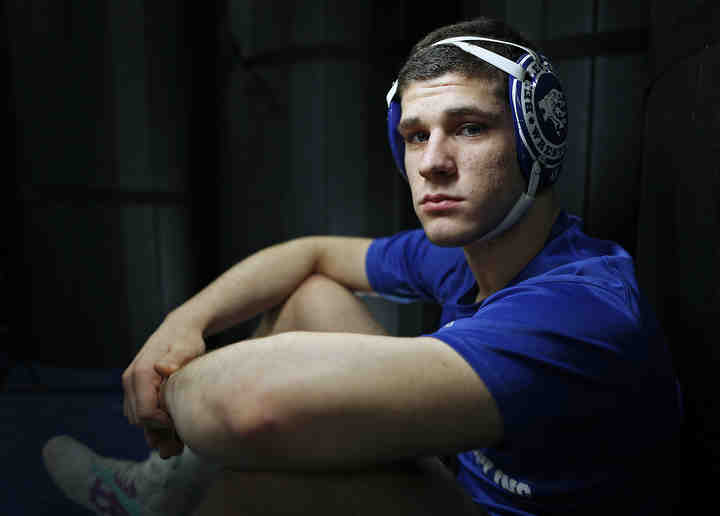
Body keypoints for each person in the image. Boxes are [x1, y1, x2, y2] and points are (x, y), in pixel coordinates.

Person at [42, 16, 682, 516]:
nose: (432, 161)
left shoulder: (581, 310)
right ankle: (162, 490)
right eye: (414, 134)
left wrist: (166, 389)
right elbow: (312, 254)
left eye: (468, 128)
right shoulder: (461, 255)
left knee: (256, 486)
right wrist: (180, 326)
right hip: (464, 485)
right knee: (312, 295)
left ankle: (180, 492)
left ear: (537, 135)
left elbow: (243, 408)